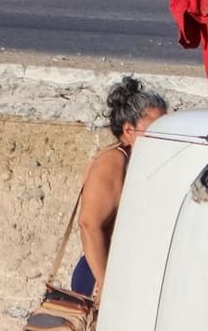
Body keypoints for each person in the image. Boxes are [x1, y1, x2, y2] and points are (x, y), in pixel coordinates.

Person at [72, 77, 167, 297]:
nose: (164, 135)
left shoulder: (141, 162)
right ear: (129, 130)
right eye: (156, 128)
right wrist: (106, 285)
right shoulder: (114, 160)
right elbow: (89, 224)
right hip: (103, 276)